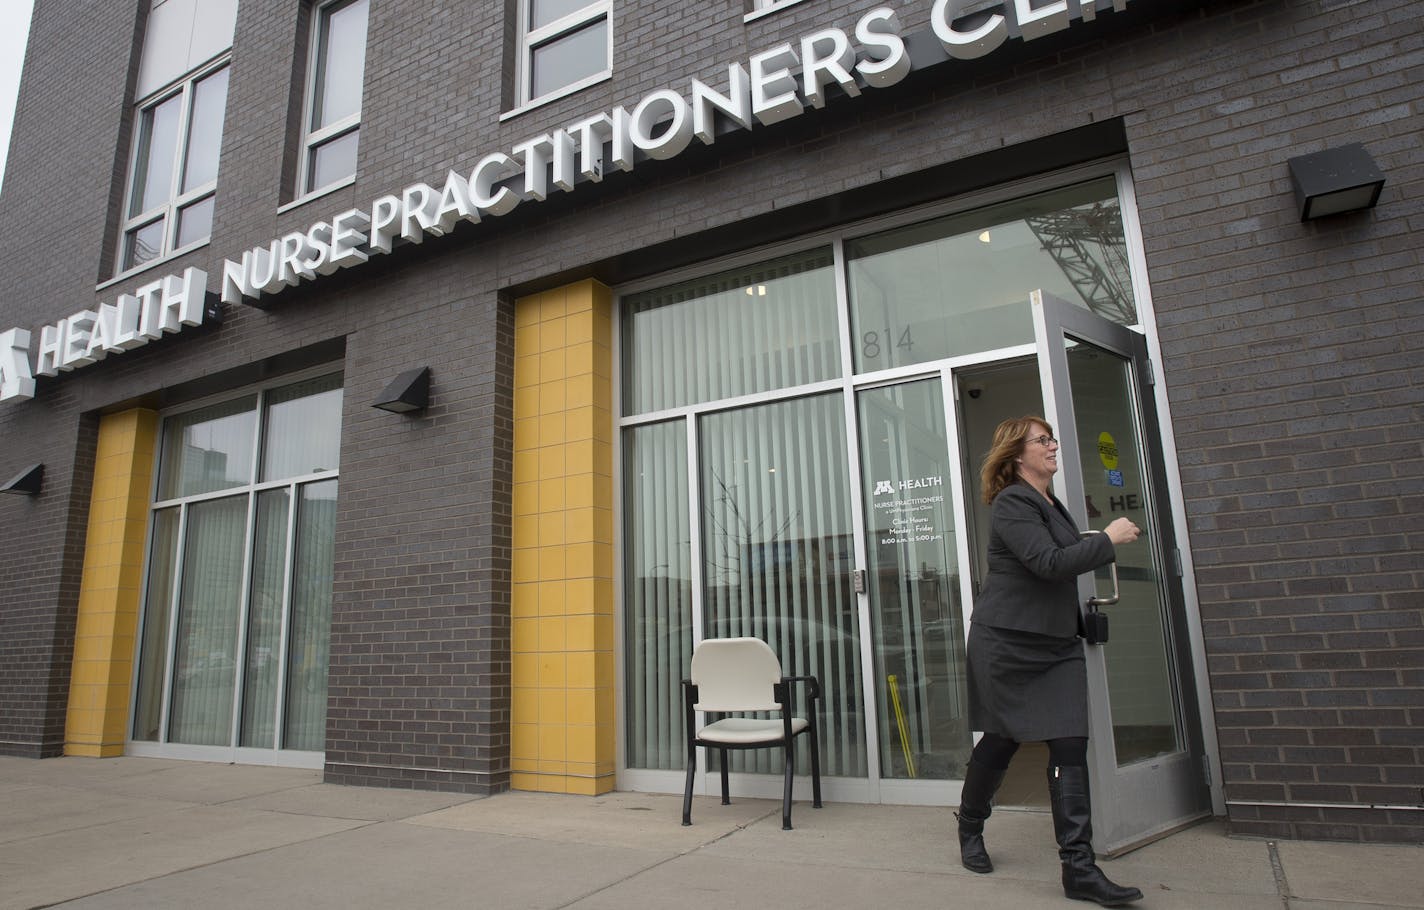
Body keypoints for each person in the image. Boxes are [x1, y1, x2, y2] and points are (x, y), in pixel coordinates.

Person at [956, 415, 1143, 907]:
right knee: (1000, 742)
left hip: (1056, 646)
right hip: (1007, 644)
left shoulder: (1051, 503)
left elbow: (1063, 560)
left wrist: (1093, 543)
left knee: (1069, 745)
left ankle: (1079, 868)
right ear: (1018, 455)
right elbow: (1049, 564)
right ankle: (970, 825)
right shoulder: (1013, 502)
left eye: (1053, 438)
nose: (1054, 445)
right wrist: (1106, 539)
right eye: (1044, 440)